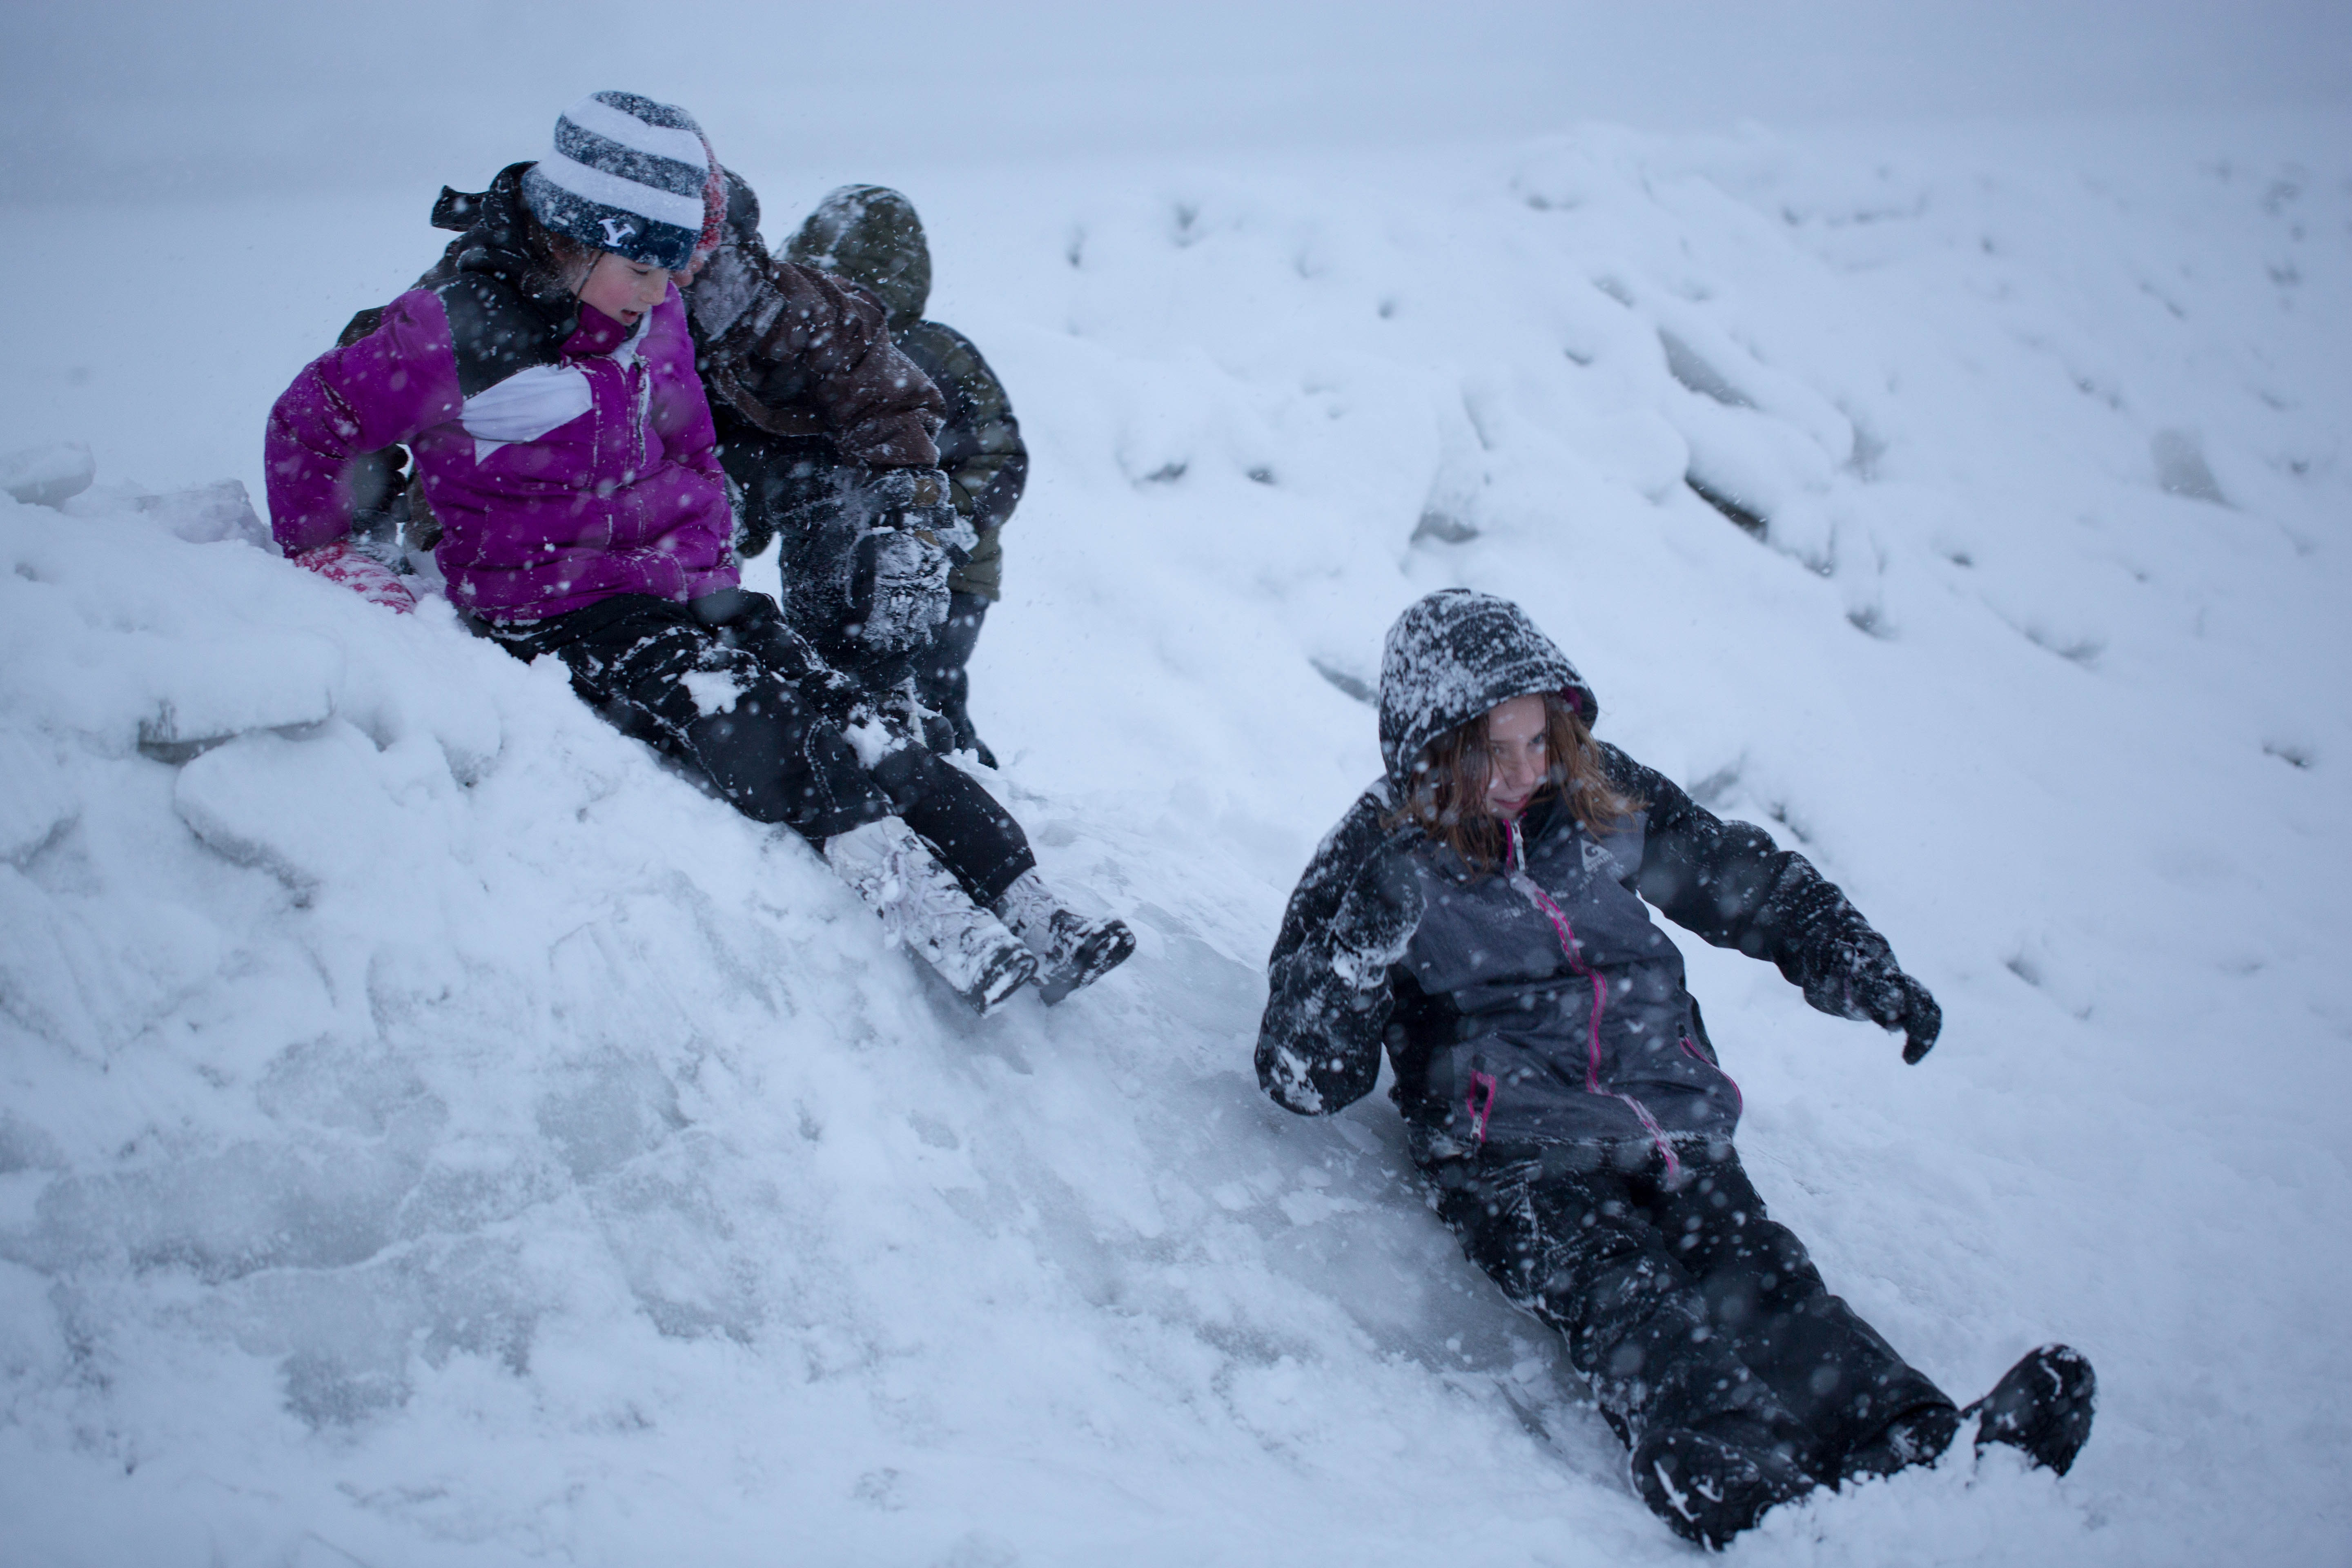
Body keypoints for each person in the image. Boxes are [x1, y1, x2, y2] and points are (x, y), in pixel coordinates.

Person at [1254, 589, 2094, 1549]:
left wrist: (1844, 954)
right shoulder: (1381, 857)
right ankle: (1732, 1469)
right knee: (1627, 1295)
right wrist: (1357, 952)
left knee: (1766, 1281)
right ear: (1431, 749)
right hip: (1516, 1157)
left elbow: (1742, 881)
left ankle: (1917, 1446)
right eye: (1492, 751)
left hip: (1669, 1116)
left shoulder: (1599, 799)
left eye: (1540, 742)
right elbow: (1301, 1075)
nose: (1523, 774)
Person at [264, 91, 1131, 1014]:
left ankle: (1025, 897)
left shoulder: (658, 307)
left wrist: (713, 566)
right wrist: (329, 552)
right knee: (761, 724)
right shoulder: (455, 327)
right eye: (643, 266)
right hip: (560, 604)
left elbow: (688, 444)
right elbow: (313, 424)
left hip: (685, 585)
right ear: (571, 237)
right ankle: (928, 906)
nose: (663, 288)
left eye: (675, 266)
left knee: (856, 710)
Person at [693, 180, 1025, 764]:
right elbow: (780, 451)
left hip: (955, 568)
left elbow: (1000, 455)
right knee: (853, 668)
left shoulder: (936, 352)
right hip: (858, 545)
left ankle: (960, 773)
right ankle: (894, 758)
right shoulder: (814, 349)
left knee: (931, 682)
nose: (849, 302)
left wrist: (946, 522)